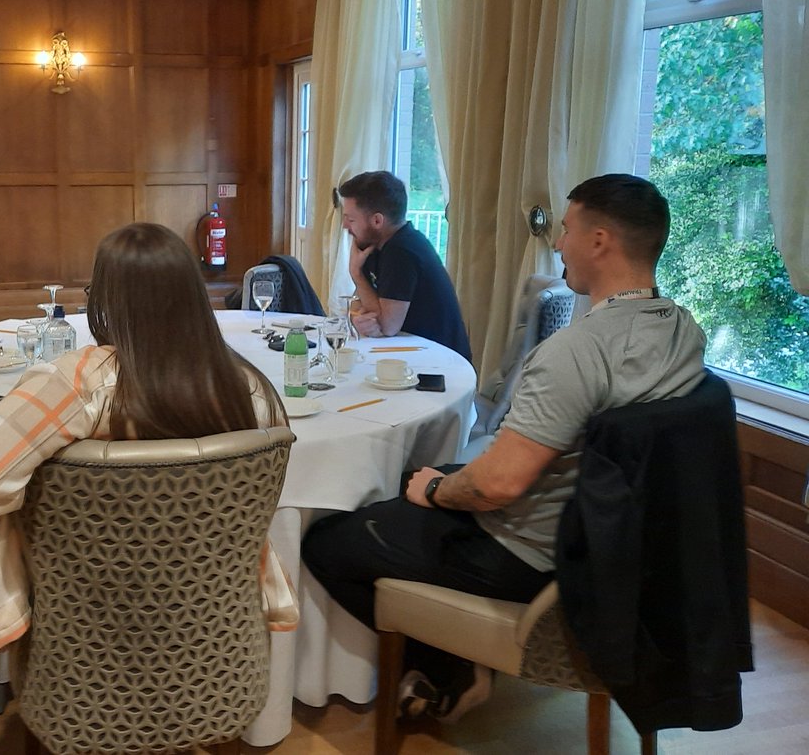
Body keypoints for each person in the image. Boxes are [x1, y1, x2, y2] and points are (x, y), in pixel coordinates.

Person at [301, 174, 707, 723]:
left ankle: (449, 668)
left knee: (326, 541)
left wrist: (440, 490)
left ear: (600, 241)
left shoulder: (577, 354)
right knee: (417, 476)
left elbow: (498, 485)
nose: (559, 244)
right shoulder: (683, 331)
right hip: (612, 546)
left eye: (566, 231)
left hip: (529, 554)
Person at [0, 222, 300, 652]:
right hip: (217, 635)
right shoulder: (251, 388)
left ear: (106, 299)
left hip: (86, 635)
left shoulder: (78, 381)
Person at [339, 171, 471, 361]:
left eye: (350, 219)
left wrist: (356, 273)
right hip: (412, 351)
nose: (345, 226)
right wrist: (361, 316)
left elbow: (387, 326)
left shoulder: (402, 251)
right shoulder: (376, 246)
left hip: (440, 363)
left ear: (377, 221)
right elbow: (359, 305)